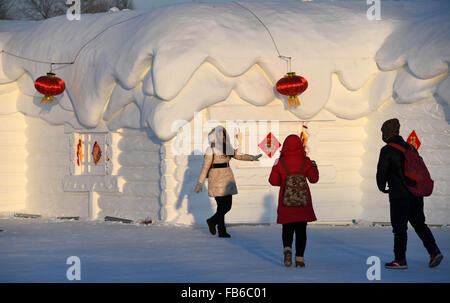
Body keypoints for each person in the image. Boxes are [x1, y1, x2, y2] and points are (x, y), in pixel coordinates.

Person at [376, 118, 443, 269]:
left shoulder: (386, 150)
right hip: (415, 193)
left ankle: (400, 260)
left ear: (387, 133)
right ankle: (434, 251)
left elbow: (381, 172)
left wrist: (382, 186)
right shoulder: (410, 148)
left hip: (399, 195)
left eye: (383, 132)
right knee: (420, 224)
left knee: (399, 228)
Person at [195, 126, 262, 238]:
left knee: (227, 206)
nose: (222, 136)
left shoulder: (228, 148)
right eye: (220, 134)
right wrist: (200, 183)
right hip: (216, 179)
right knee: (222, 206)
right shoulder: (210, 149)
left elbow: (239, 156)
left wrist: (252, 158)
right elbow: (205, 167)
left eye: (223, 134)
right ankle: (221, 230)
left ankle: (213, 221)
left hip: (227, 178)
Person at [269, 134, 319, 267]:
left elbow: (273, 181)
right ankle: (299, 259)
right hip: (303, 203)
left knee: (287, 228)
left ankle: (287, 249)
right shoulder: (306, 161)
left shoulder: (280, 162)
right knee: (301, 231)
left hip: (286, 202)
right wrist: (315, 167)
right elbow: (314, 179)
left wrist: (283, 180)